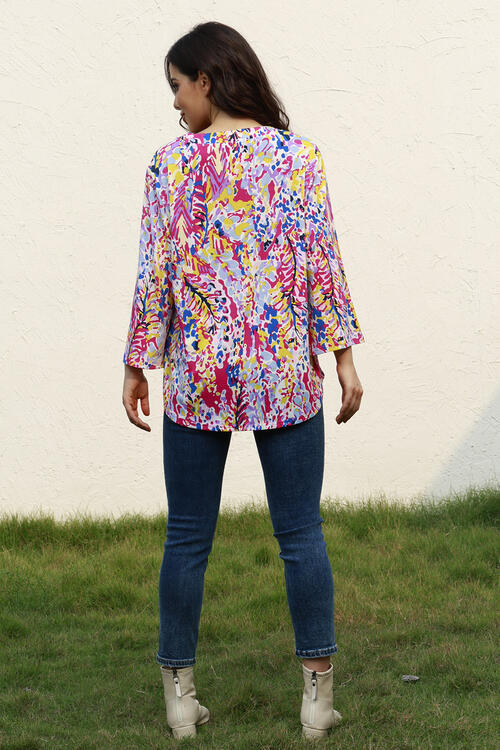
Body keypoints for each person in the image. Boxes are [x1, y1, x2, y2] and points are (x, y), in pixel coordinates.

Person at [122, 21, 365, 742]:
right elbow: (321, 262)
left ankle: (180, 699)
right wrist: (342, 355)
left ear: (207, 79)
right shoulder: (298, 157)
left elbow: (154, 273)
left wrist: (137, 361)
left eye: (177, 86)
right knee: (301, 534)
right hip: (282, 371)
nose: (174, 102)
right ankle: (317, 701)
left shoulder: (168, 166)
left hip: (199, 376)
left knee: (186, 538)